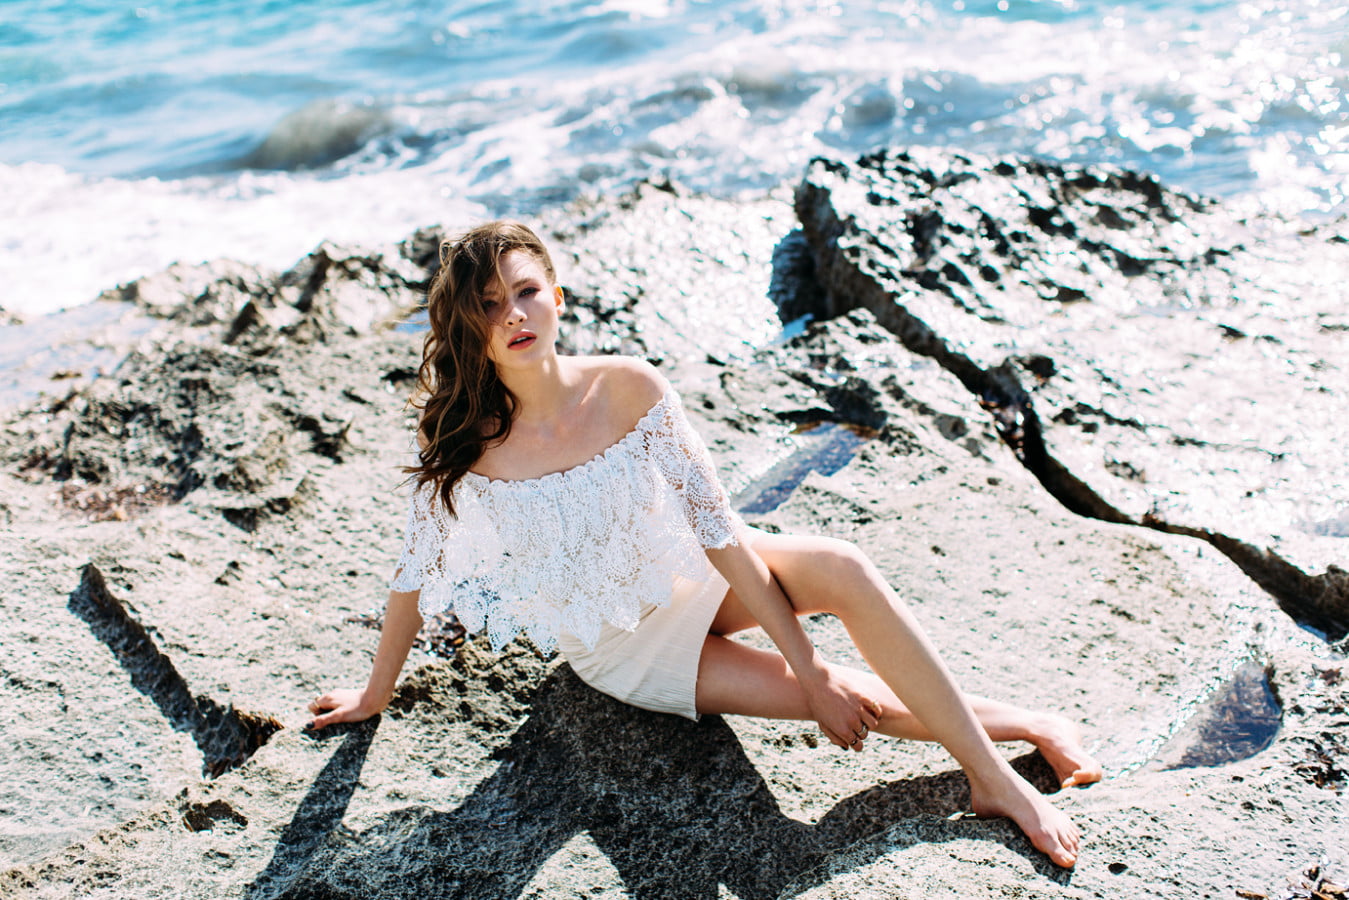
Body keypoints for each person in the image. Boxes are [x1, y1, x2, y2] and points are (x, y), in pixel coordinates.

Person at [307, 220, 1102, 869]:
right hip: (623, 647)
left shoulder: (628, 388)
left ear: (557, 296)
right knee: (849, 701)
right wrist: (374, 694)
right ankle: (1027, 726)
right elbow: (413, 572)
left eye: (524, 293)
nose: (512, 316)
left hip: (692, 577)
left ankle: (991, 778)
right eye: (488, 305)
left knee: (842, 568)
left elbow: (720, 534)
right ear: (466, 325)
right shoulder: (464, 439)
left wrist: (807, 661)